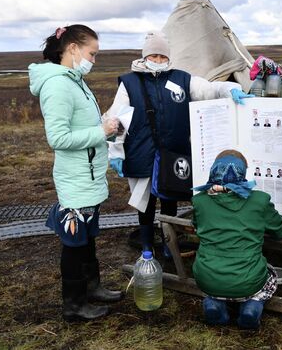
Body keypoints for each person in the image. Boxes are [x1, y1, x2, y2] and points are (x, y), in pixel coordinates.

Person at [105, 31, 253, 255]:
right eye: (153, 56)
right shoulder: (130, 83)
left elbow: (209, 89)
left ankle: (168, 244)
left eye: (162, 56)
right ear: (145, 56)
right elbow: (118, 119)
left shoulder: (182, 79)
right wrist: (115, 152)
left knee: (170, 198)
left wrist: (229, 88)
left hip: (173, 152)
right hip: (141, 150)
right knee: (145, 202)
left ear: (168, 57)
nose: (157, 61)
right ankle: (146, 244)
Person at [28, 25, 123, 322]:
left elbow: (83, 127)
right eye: (92, 53)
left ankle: (91, 287)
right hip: (76, 178)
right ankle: (74, 304)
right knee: (74, 242)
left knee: (87, 236)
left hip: (89, 175)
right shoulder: (58, 85)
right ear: (72, 48)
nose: (94, 60)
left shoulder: (76, 81)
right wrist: (100, 131)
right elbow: (58, 138)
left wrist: (105, 127)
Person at [192, 150, 282, 329]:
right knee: (270, 274)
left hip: (208, 276)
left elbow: (197, 225)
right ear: (242, 172)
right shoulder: (259, 201)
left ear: (214, 170)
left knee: (216, 284)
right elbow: (281, 231)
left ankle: (214, 304)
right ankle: (252, 307)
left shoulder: (199, 201)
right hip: (248, 280)